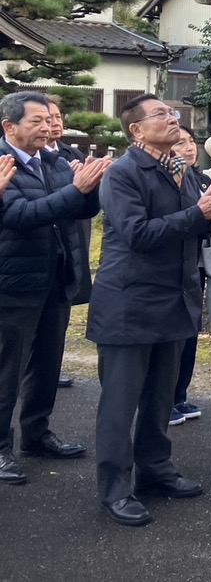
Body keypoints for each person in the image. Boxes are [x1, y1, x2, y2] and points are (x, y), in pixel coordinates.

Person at [87, 94, 211, 526]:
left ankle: (155, 469)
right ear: (136, 130)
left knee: (161, 396)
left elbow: (196, 226)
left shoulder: (182, 171)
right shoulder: (122, 174)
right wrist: (199, 213)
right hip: (129, 303)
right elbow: (137, 234)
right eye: (161, 114)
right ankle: (115, 489)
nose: (173, 119)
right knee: (120, 404)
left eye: (173, 113)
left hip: (176, 298)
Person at [0, 91, 109, 487]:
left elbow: (79, 210)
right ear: (9, 126)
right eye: (37, 121)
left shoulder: (55, 160)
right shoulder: (4, 164)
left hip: (56, 277)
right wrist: (76, 189)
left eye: (49, 120)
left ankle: (36, 433)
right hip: (14, 282)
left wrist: (90, 188)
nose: (48, 128)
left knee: (46, 363)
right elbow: (20, 215)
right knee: (7, 370)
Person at [46, 95, 90, 388]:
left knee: (59, 315)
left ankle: (51, 368)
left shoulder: (71, 153)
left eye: (57, 117)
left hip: (71, 236)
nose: (53, 124)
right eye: (45, 119)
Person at [168, 125, 211, 427]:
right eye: (181, 143)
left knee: (190, 332)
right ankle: (166, 399)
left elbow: (206, 226)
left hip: (196, 265)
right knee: (172, 335)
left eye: (192, 141)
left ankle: (180, 394)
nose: (189, 147)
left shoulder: (201, 179)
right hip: (173, 266)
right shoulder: (170, 179)